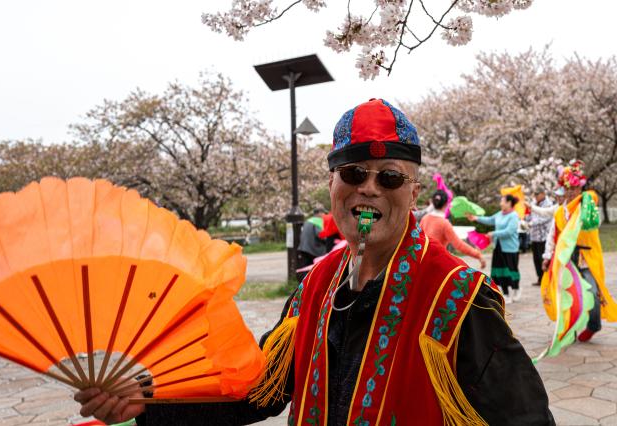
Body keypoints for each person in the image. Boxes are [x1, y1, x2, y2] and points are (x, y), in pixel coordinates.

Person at [75, 99, 553, 425]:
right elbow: (259, 386)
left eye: (389, 177)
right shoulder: (317, 284)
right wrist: (149, 399)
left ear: (413, 191)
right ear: (332, 185)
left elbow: (525, 417)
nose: (369, 188)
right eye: (352, 172)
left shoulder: (459, 296)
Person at [541, 161, 617, 342]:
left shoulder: (587, 204)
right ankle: (568, 328)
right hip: (565, 259)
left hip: (586, 257)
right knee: (567, 294)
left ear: (580, 189)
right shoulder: (560, 212)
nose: (571, 192)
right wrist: (547, 256)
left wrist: (587, 201)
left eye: (574, 188)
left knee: (591, 291)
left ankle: (593, 324)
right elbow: (553, 236)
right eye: (567, 188)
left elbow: (593, 214)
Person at [467, 194, 521, 304]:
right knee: (501, 270)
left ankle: (516, 288)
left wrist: (493, 233)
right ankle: (506, 294)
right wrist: (476, 218)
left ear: (509, 203)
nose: (501, 203)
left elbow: (509, 231)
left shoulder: (514, 216)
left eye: (503, 201)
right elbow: (490, 220)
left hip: (510, 248)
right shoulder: (500, 214)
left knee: (511, 270)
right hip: (498, 247)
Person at [420, 190, 486, 269]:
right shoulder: (444, 223)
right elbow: (459, 245)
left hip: (422, 262)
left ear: (432, 202)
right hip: (437, 264)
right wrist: (478, 255)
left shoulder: (425, 218)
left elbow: (418, 240)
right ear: (446, 204)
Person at [526, 188, 553, 286]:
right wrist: (526, 219)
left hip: (544, 236)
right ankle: (539, 278)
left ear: (543, 194)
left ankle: (546, 278)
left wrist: (531, 223)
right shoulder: (533, 203)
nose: (536, 197)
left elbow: (545, 218)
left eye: (537, 195)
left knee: (543, 258)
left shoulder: (548, 204)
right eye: (535, 195)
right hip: (534, 236)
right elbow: (530, 215)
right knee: (536, 259)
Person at [296, 208, 327, 281]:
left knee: (305, 268)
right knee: (316, 268)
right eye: (324, 213)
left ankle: (303, 284)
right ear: (319, 213)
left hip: (303, 248)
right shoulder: (317, 222)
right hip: (314, 249)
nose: (324, 215)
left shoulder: (308, 221)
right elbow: (320, 235)